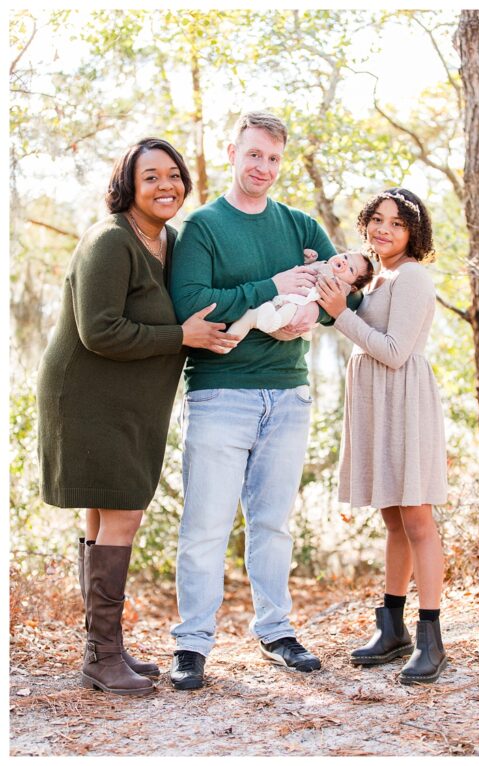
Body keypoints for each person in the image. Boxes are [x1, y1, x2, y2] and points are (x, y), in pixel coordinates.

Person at [36, 138, 239, 696]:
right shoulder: (110, 241)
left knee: (104, 520)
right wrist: (182, 335)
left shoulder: (170, 241)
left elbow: (196, 303)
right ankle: (102, 657)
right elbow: (97, 329)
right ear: (128, 184)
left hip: (131, 401)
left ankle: (103, 651)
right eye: (151, 177)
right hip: (89, 397)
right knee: (121, 511)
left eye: (173, 175)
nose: (166, 185)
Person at [167, 111, 356, 690]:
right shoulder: (202, 227)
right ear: (232, 152)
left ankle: (276, 630)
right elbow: (192, 303)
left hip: (289, 395)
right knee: (206, 524)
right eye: (254, 155)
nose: (263, 168)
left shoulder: (299, 225)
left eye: (273, 158)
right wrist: (270, 290)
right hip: (221, 393)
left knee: (273, 524)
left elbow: (341, 285)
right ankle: (192, 643)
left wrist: (307, 315)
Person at [316, 188, 450, 685]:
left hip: (405, 404)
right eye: (377, 220)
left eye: (397, 223)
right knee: (393, 519)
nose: (384, 230)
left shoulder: (412, 276)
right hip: (379, 406)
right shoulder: (378, 277)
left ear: (414, 233)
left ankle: (431, 637)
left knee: (416, 518)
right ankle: (392, 627)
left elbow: (394, 351)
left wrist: (342, 315)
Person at [227, 249, 374, 341]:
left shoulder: (341, 286)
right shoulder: (323, 264)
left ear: (353, 287)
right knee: (252, 318)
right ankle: (231, 340)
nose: (344, 262)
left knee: (282, 312)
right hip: (283, 301)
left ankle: (266, 319)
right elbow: (307, 268)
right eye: (346, 257)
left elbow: (326, 278)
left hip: (292, 314)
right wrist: (309, 259)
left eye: (351, 269)